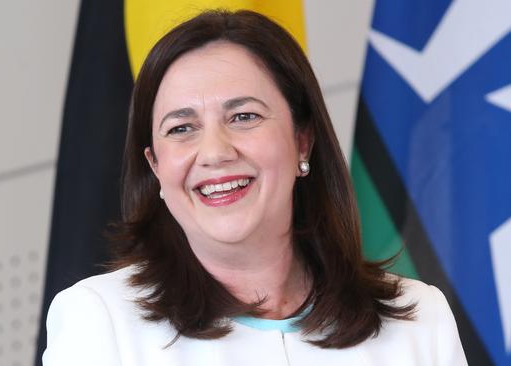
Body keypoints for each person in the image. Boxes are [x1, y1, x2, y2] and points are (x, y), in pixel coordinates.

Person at [43, 9, 467, 365]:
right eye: (182, 127)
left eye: (243, 117)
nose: (214, 151)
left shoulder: (419, 320)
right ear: (154, 166)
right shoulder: (100, 321)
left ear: (303, 139)